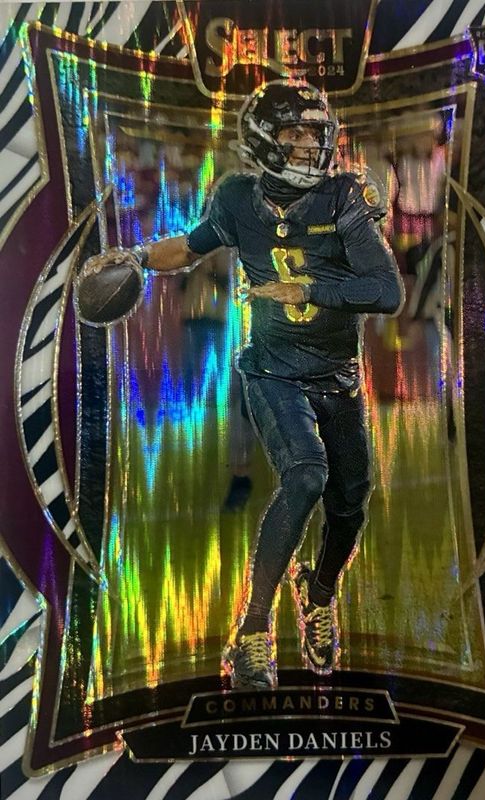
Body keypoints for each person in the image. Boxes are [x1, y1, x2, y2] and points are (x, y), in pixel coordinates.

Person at [125, 81, 404, 688]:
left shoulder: (342, 195)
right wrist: (137, 259)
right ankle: (253, 630)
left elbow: (386, 290)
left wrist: (308, 289)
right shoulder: (236, 198)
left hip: (338, 378)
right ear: (262, 141)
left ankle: (319, 591)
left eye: (315, 132)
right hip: (273, 370)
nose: (309, 145)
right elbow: (191, 247)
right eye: (294, 133)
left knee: (350, 505)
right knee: (305, 475)